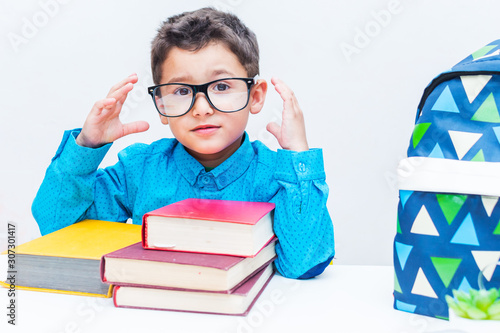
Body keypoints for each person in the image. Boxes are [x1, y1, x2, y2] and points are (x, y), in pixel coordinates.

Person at [32, 7, 334, 279]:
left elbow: (302, 264)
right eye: (180, 91)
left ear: (255, 96)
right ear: (160, 104)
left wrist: (297, 157)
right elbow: (58, 227)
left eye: (222, 86)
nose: (201, 108)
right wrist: (86, 146)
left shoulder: (278, 176)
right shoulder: (138, 169)